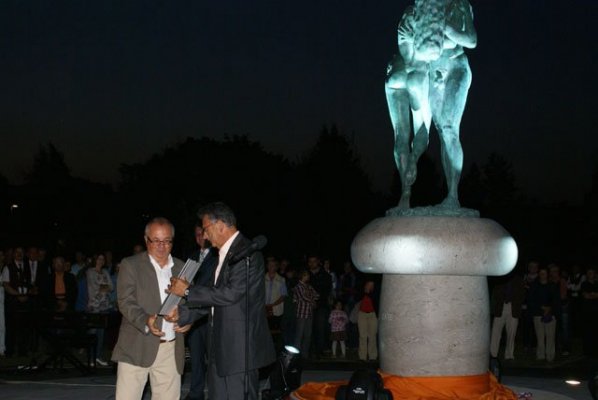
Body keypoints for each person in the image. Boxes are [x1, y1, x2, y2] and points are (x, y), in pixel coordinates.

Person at [167, 202, 275, 400]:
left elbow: (231, 294)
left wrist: (188, 290)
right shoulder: (223, 255)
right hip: (218, 347)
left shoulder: (248, 253)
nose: (205, 236)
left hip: (239, 350)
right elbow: (214, 296)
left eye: (206, 229)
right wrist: (185, 314)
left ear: (220, 226)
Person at [111, 217, 191, 400]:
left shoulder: (182, 268)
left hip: (171, 348)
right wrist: (145, 319)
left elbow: (191, 303)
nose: (161, 246)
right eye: (156, 240)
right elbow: (125, 301)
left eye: (167, 241)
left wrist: (187, 320)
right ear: (146, 240)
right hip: (136, 346)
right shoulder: (130, 265)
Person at [185, 224, 218, 400]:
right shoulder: (191, 257)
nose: (200, 237)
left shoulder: (218, 256)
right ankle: (196, 393)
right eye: (197, 234)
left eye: (202, 234)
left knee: (213, 358)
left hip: (209, 314)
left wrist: (190, 289)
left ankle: (215, 393)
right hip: (193, 313)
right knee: (196, 357)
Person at [489, 271, 525, 360]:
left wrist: (517, 304)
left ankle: (509, 355)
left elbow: (522, 294)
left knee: (511, 333)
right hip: (500, 307)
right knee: (495, 332)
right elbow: (494, 293)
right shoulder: (499, 277)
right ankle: (493, 354)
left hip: (513, 308)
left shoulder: (519, 280)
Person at [86, 253, 114, 366]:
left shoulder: (105, 272)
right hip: (94, 305)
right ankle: (90, 358)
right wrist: (104, 287)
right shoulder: (90, 272)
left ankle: (97, 356)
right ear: (95, 259)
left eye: (103, 259)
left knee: (101, 333)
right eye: (99, 258)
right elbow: (94, 287)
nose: (101, 261)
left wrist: (103, 287)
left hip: (104, 306)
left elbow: (111, 287)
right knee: (92, 332)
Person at [528, 268, 559, 362]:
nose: (543, 275)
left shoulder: (553, 285)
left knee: (550, 336)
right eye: (541, 273)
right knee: (540, 337)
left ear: (547, 274)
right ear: (539, 274)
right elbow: (531, 299)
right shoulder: (534, 286)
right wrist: (541, 307)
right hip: (538, 314)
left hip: (551, 314)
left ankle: (550, 355)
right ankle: (540, 355)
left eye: (544, 273)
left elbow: (556, 300)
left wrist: (550, 308)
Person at [293, 269, 319, 357]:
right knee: (299, 335)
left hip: (309, 313)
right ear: (302, 276)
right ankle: (296, 355)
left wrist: (311, 298)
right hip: (301, 314)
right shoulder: (297, 287)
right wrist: (312, 300)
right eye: (306, 275)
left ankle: (304, 355)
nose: (308, 276)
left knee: (308, 335)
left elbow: (317, 295)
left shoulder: (309, 286)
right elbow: (303, 297)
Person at [357, 280, 379, 362]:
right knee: (362, 336)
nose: (370, 286)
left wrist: (368, 292)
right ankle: (362, 357)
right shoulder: (361, 291)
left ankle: (372, 356)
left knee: (372, 336)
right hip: (362, 314)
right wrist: (365, 292)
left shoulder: (375, 293)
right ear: (365, 285)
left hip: (372, 314)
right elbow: (357, 297)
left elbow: (375, 299)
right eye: (369, 285)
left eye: (372, 285)